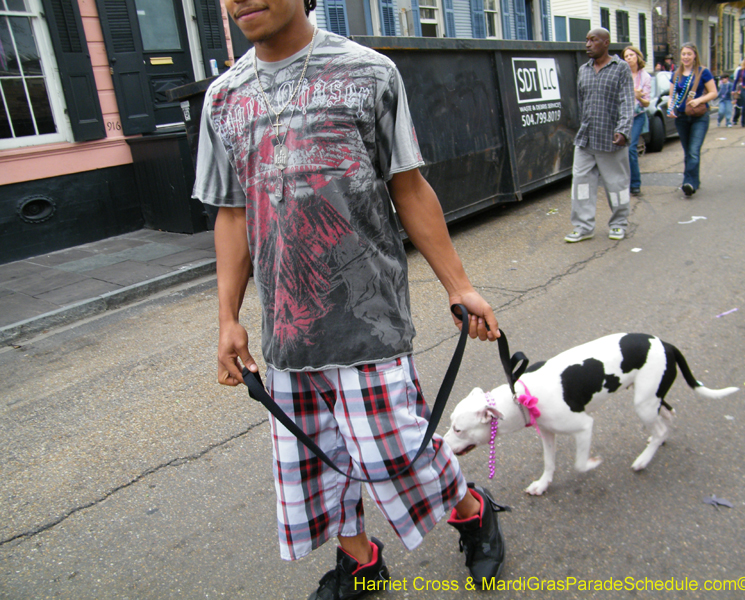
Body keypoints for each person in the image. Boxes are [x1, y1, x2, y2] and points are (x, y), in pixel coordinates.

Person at [192, 0, 509, 597]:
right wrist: (227, 319)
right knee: (316, 463)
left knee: (395, 455)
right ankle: (361, 565)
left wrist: (459, 285)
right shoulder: (223, 99)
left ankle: (472, 511)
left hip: (371, 321)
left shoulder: (369, 74)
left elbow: (409, 186)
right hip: (286, 330)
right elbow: (231, 215)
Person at [565, 28, 635, 243]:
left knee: (616, 185)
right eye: (586, 40)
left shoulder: (620, 68)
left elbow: (627, 101)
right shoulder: (584, 70)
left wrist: (623, 130)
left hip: (611, 138)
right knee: (581, 183)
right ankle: (583, 226)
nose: (587, 44)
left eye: (593, 40)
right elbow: (580, 101)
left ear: (606, 43)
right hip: (586, 138)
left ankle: (618, 224)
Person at [667, 42, 717, 197]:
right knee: (688, 151)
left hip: (699, 116)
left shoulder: (703, 72)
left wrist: (699, 100)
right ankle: (694, 180)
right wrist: (670, 108)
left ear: (695, 55)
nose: (686, 57)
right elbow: (671, 96)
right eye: (683, 54)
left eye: (689, 54)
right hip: (681, 117)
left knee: (694, 150)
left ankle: (688, 183)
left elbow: (713, 92)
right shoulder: (676, 74)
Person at [623, 46, 651, 196]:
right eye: (626, 56)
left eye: (631, 55)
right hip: (622, 117)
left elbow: (647, 103)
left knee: (631, 147)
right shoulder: (621, 74)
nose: (628, 58)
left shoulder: (645, 77)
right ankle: (623, 182)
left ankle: (635, 184)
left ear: (637, 57)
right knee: (621, 150)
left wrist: (638, 96)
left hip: (637, 116)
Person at [732, 55, 745, 126]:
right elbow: (736, 80)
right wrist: (733, 89)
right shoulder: (741, 70)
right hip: (743, 88)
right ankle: (743, 122)